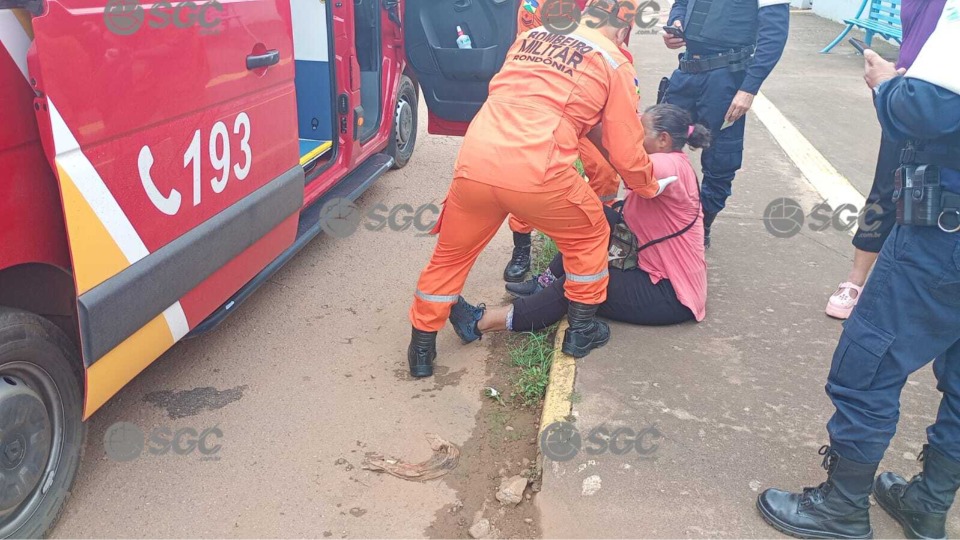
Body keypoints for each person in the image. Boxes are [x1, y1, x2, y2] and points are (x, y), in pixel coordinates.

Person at [756, 2, 960, 538]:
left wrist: (888, 83)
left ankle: (841, 507)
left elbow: (927, 107)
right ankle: (928, 504)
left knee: (867, 364)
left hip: (944, 231)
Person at [406, 0, 663, 378]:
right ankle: (581, 331)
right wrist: (649, 185)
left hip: (476, 162)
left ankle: (421, 352)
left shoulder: (532, 37)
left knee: (450, 257)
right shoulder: (614, 61)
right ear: (626, 27)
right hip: (537, 171)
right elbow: (625, 148)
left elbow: (542, 101)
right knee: (591, 236)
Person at [448, 104, 709, 342]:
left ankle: (481, 323)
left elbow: (626, 164)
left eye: (641, 132)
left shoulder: (671, 165)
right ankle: (544, 283)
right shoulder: (664, 160)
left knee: (581, 281)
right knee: (593, 219)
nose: (634, 138)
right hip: (646, 269)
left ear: (663, 139)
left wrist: (591, 126)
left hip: (669, 294)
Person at [825, 0, 938, 319]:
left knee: (935, 198)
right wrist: (889, 84)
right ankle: (855, 282)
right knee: (888, 187)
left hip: (944, 101)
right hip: (907, 93)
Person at [504, 0, 628, 283]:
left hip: (592, 98)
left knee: (606, 170)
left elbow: (618, 47)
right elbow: (529, 54)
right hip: (546, 104)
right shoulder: (537, 5)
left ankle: (600, 232)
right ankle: (521, 245)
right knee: (529, 170)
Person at [662, 0, 790, 248]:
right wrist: (675, 24)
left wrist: (748, 88)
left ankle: (701, 225)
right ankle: (663, 214)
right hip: (687, 69)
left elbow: (773, 36)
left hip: (726, 80)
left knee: (720, 158)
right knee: (660, 140)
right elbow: (682, 3)